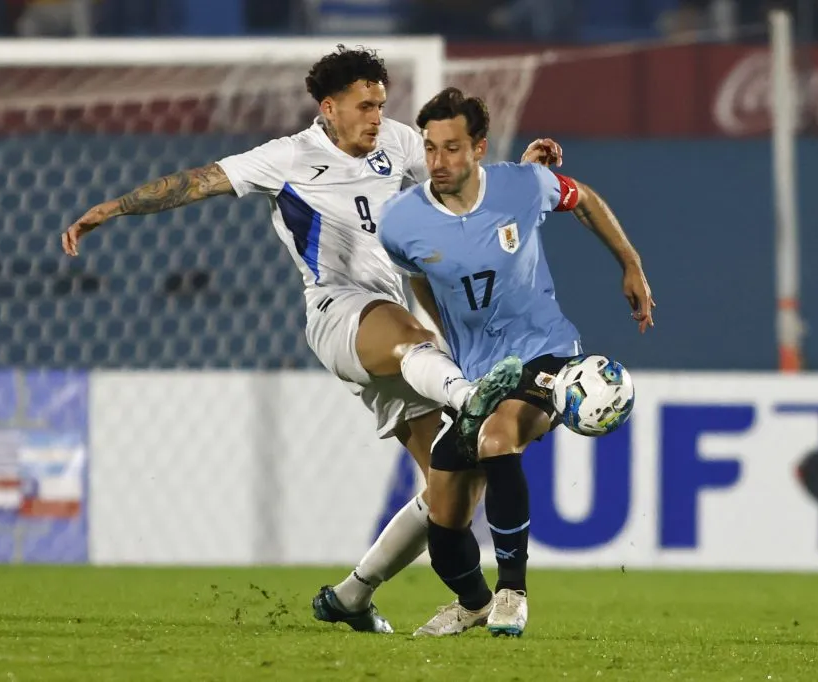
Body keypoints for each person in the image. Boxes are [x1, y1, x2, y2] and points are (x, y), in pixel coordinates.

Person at [60, 46, 562, 634]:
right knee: (410, 338)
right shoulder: (288, 158)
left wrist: (522, 171)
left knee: (453, 488)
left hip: (397, 326)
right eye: (364, 106)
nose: (377, 116)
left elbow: (458, 183)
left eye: (380, 104)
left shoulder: (400, 144)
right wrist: (114, 209)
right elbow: (199, 182)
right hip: (339, 312)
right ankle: (468, 395)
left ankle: (355, 593)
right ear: (329, 108)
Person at [377, 87, 655, 637]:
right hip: (479, 374)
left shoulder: (523, 185)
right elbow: (419, 278)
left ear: (478, 147)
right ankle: (473, 601)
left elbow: (587, 200)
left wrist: (631, 263)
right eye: (430, 148)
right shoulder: (401, 223)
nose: (438, 162)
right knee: (444, 518)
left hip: (544, 352)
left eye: (452, 148)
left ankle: (512, 593)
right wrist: (451, 340)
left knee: (499, 438)